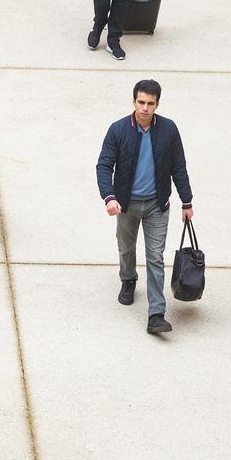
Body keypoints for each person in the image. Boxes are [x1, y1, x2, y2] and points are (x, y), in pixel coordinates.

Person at [95, 79, 193, 333]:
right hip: (126, 204)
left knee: (155, 257)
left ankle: (156, 314)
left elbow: (178, 166)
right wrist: (110, 197)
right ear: (134, 101)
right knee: (126, 248)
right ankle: (128, 280)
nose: (145, 108)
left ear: (157, 104)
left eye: (150, 103)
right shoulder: (118, 130)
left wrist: (187, 201)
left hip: (156, 205)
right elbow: (104, 166)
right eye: (141, 102)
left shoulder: (169, 130)